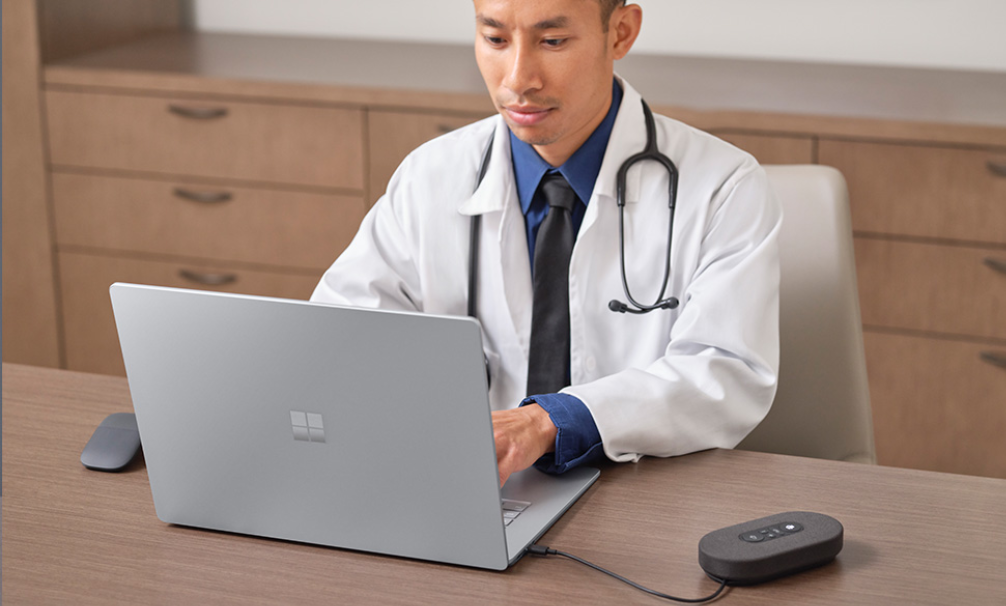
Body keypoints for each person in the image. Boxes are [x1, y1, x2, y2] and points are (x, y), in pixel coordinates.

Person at [312, 0, 781, 487]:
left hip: (646, 490)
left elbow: (727, 375)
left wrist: (549, 422)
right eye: (495, 39)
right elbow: (338, 337)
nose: (518, 79)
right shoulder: (430, 176)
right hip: (473, 488)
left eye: (552, 41)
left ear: (620, 32)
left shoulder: (724, 185)